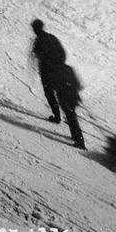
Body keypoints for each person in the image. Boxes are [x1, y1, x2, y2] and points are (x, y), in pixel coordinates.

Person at [30, 20, 84, 148]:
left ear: (35, 29)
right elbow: (63, 53)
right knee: (69, 109)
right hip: (61, 72)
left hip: (49, 73)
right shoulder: (52, 38)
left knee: (52, 95)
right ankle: (75, 135)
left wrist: (45, 60)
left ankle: (58, 117)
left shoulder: (38, 41)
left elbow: (37, 54)